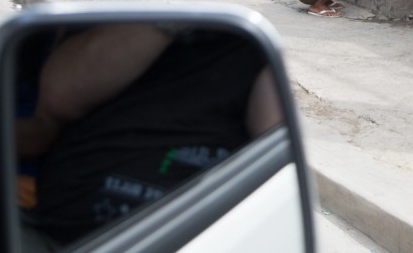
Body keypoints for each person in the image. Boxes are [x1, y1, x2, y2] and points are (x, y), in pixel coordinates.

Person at [15, 25, 283, 247]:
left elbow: (275, 151)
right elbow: (58, 99)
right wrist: (171, 21)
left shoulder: (247, 42)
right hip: (64, 234)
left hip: (190, 237)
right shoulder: (111, 23)